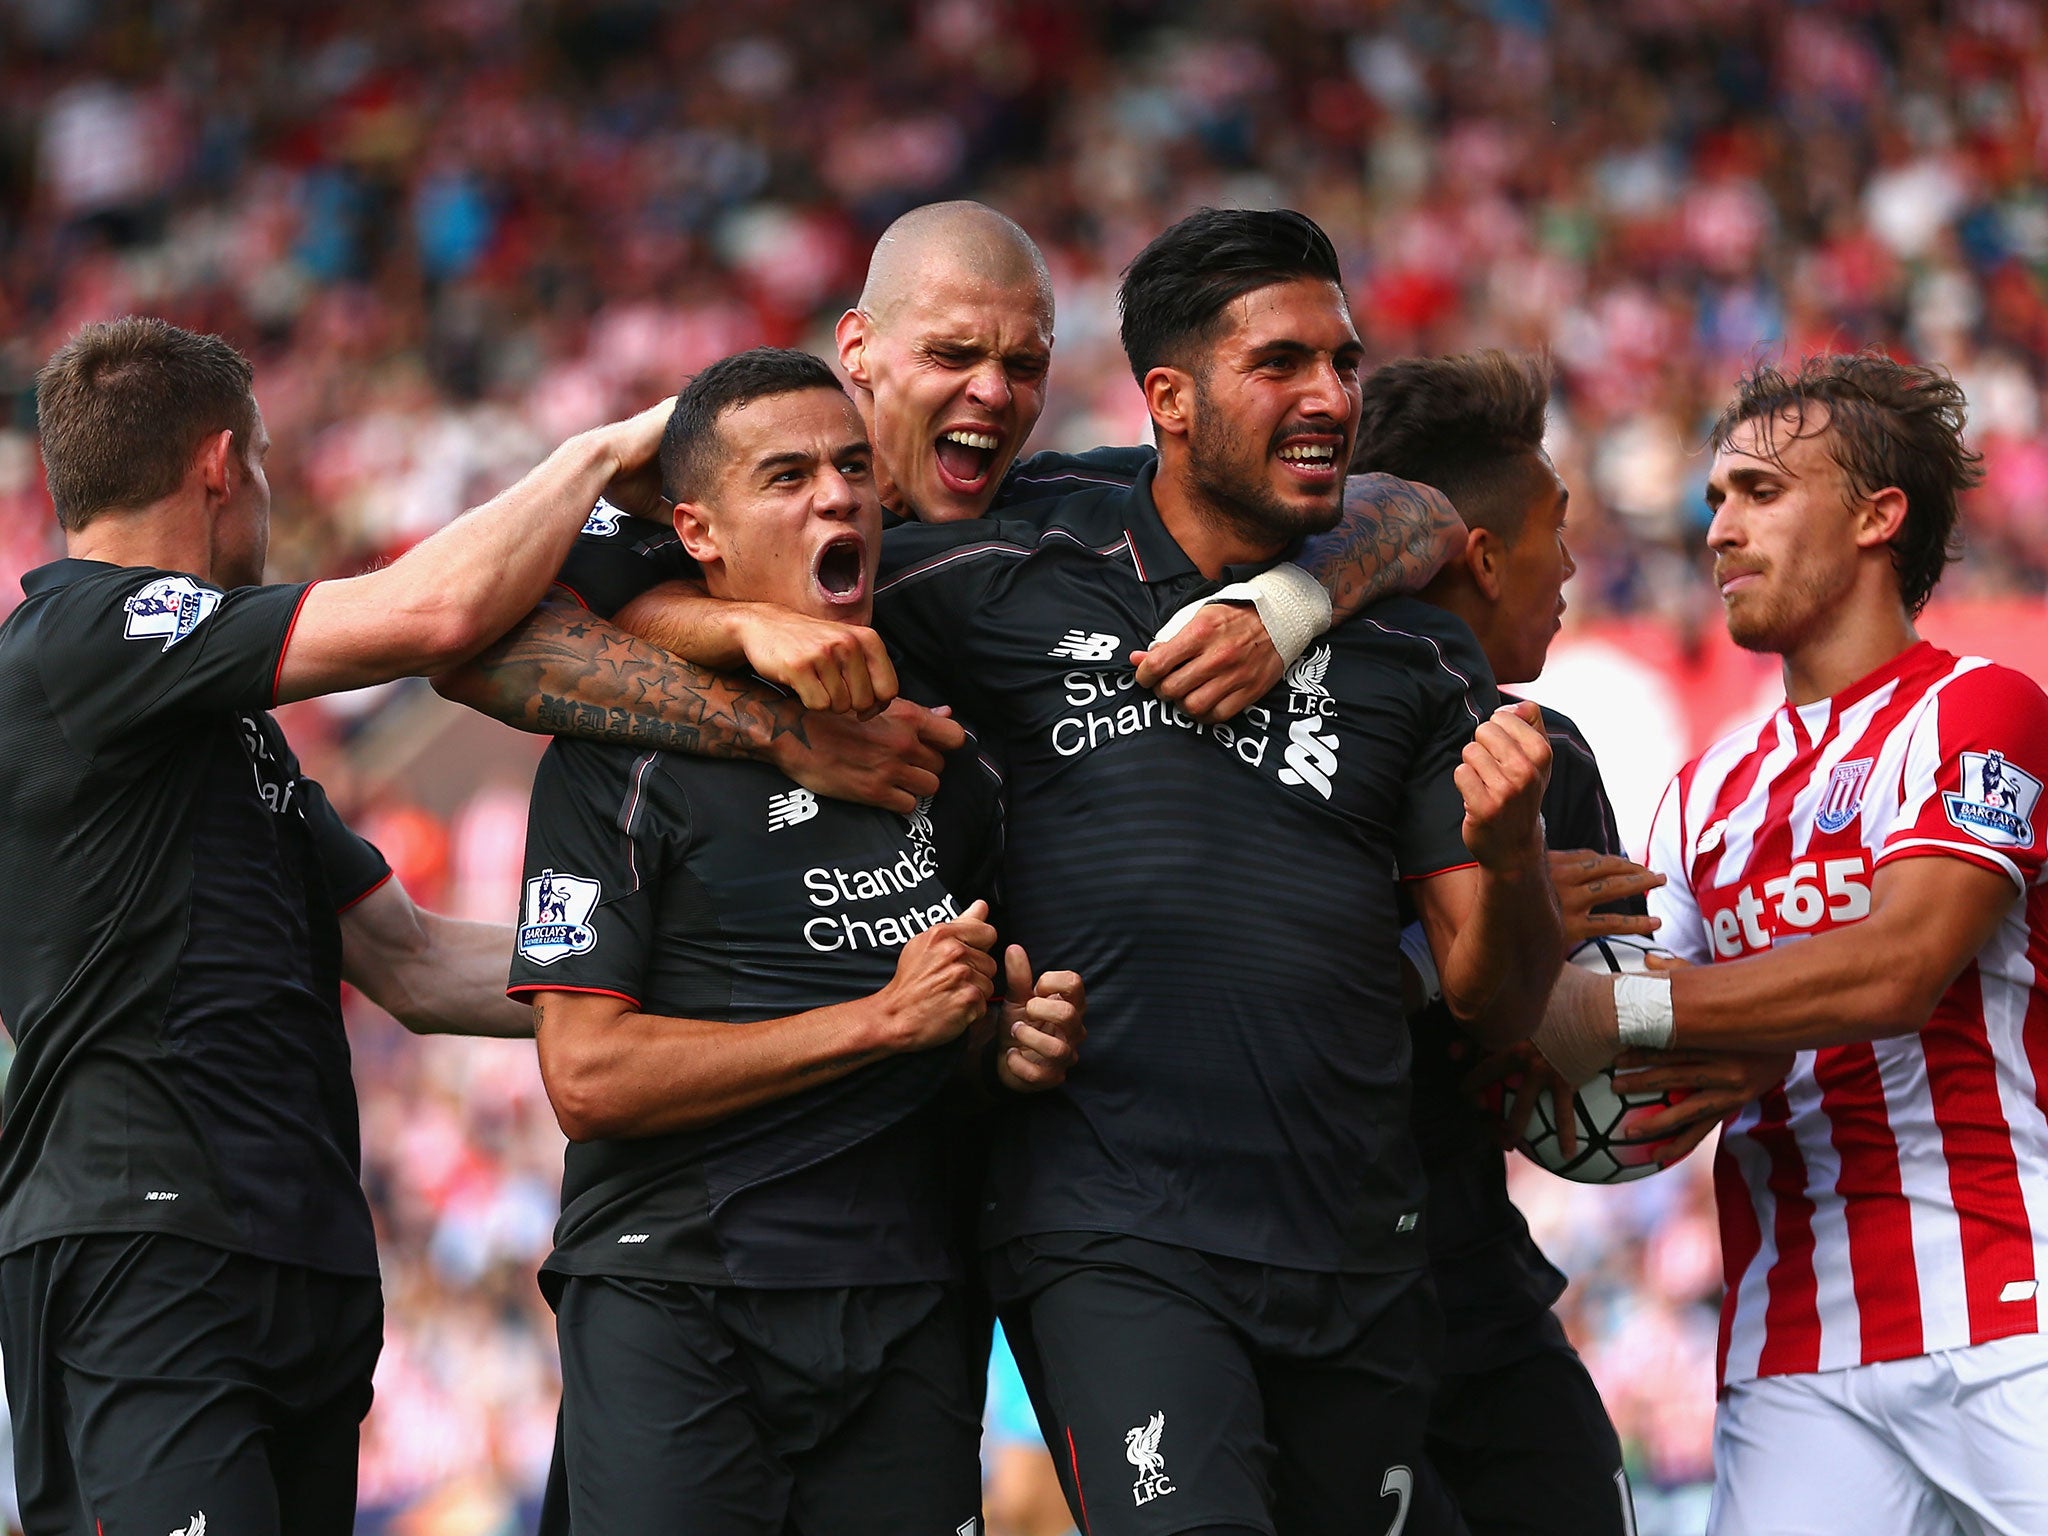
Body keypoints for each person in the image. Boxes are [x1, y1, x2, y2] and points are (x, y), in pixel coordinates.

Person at [870, 207, 1565, 1536]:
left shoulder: (1415, 655)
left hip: (1356, 1251)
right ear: (1168, 401)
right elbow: (756, 585)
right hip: (1115, 1234)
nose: (1329, 398)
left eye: (1346, 365)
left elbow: (1498, 996)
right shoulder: (1008, 558)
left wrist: (1511, 847)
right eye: (1282, 364)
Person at [0, 316, 668, 1536]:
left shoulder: (227, 733)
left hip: (289, 1262)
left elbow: (413, 963)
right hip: (144, 1253)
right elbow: (432, 614)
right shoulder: (78, 636)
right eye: (262, 465)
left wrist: (696, 978)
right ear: (222, 466)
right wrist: (595, 458)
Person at [508, 348, 1086, 1535]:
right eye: (784, 476)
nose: (834, 496)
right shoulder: (616, 756)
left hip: (908, 1303)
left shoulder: (951, 758)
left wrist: (1001, 1043)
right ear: (697, 534)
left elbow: (951, 1037)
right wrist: (876, 1022)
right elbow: (586, 1076)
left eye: (851, 468)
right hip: (679, 1293)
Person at [1536, 353, 2048, 1536]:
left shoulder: (1981, 709)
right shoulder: (1699, 792)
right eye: (1713, 497)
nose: (1716, 528)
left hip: (2004, 1298)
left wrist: (1625, 1014)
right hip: (1791, 1350)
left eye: (1759, 492)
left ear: (1877, 517)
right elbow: (1629, 1071)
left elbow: (1896, 963)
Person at [432, 201, 1467, 779]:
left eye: (1023, 365)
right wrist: (751, 649)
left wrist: (1284, 608)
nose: (991, 389)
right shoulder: (726, 512)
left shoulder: (1081, 503)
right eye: (953, 351)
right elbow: (476, 651)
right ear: (858, 349)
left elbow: (1415, 510)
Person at [1358, 350, 1787, 1536]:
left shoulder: (1552, 755)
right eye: (1554, 530)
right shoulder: (1290, 751)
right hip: (1310, 1295)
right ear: (1481, 558)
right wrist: (1492, 913)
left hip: (1478, 1291)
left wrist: (1694, 1056)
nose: (1572, 564)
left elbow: (1558, 1061)